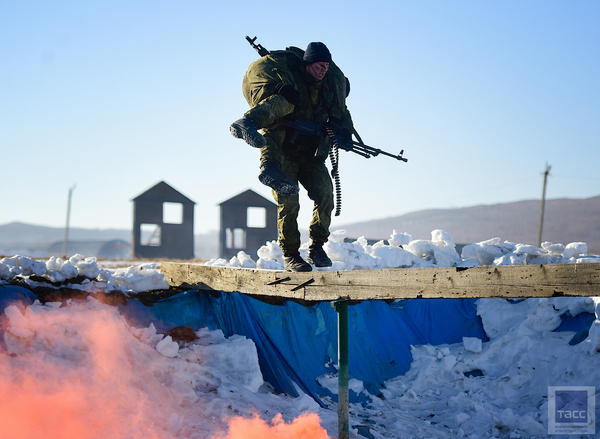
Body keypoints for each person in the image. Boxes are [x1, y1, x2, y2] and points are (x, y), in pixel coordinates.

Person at [230, 42, 354, 272]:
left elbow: (340, 115)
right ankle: (291, 255)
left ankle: (316, 247)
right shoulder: (292, 80)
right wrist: (279, 89)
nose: (323, 70)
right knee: (289, 201)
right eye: (319, 65)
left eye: (326, 66)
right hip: (284, 152)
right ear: (308, 64)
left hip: (310, 155)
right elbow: (277, 103)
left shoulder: (329, 90)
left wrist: (343, 131)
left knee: (326, 195)